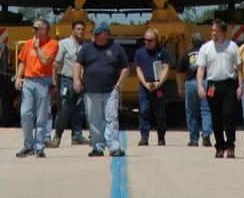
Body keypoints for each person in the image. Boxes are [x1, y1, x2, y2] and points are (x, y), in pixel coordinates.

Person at [75, 21, 129, 158]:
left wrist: (119, 83)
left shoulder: (116, 48)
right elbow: (78, 64)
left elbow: (125, 67)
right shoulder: (87, 48)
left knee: (111, 118)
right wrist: (76, 79)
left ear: (106, 35)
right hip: (91, 90)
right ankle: (97, 147)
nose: (94, 36)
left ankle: (114, 146)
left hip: (111, 90)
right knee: (94, 119)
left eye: (97, 34)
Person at [197, 18, 243, 159]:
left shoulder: (232, 46)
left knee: (228, 115)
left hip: (229, 84)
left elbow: (240, 68)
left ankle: (230, 145)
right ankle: (220, 146)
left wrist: (241, 86)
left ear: (223, 32)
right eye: (212, 31)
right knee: (216, 117)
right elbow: (201, 69)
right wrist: (200, 85)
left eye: (216, 31)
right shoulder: (206, 48)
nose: (213, 34)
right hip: (213, 85)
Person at [14, 18, 58, 158]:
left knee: (42, 115)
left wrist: (37, 47)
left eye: (35, 28)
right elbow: (22, 62)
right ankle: (28, 145)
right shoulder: (28, 44)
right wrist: (18, 77)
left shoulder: (53, 44)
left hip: (43, 81)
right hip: (28, 80)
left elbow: (45, 61)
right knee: (25, 114)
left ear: (44, 30)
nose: (33, 31)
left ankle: (39, 146)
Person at [48, 20, 87, 148]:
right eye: (78, 29)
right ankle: (57, 136)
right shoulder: (64, 44)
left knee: (79, 109)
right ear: (73, 30)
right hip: (66, 80)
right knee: (65, 108)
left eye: (82, 29)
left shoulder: (86, 46)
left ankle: (77, 136)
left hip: (81, 81)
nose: (80, 31)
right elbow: (55, 64)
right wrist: (54, 83)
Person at [134, 28, 170, 147]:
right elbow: (138, 69)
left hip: (158, 87)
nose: (146, 42)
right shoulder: (139, 53)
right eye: (145, 40)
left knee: (160, 113)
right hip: (145, 87)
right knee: (144, 111)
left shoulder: (163, 52)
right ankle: (144, 137)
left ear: (155, 40)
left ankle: (161, 137)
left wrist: (158, 84)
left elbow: (165, 68)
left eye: (149, 40)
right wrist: (145, 83)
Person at [178, 32, 212, 147]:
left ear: (192, 42)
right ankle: (206, 134)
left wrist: (180, 86)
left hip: (190, 83)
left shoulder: (186, 54)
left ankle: (194, 139)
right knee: (206, 110)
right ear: (202, 41)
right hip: (205, 82)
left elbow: (179, 72)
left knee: (191, 112)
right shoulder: (207, 53)